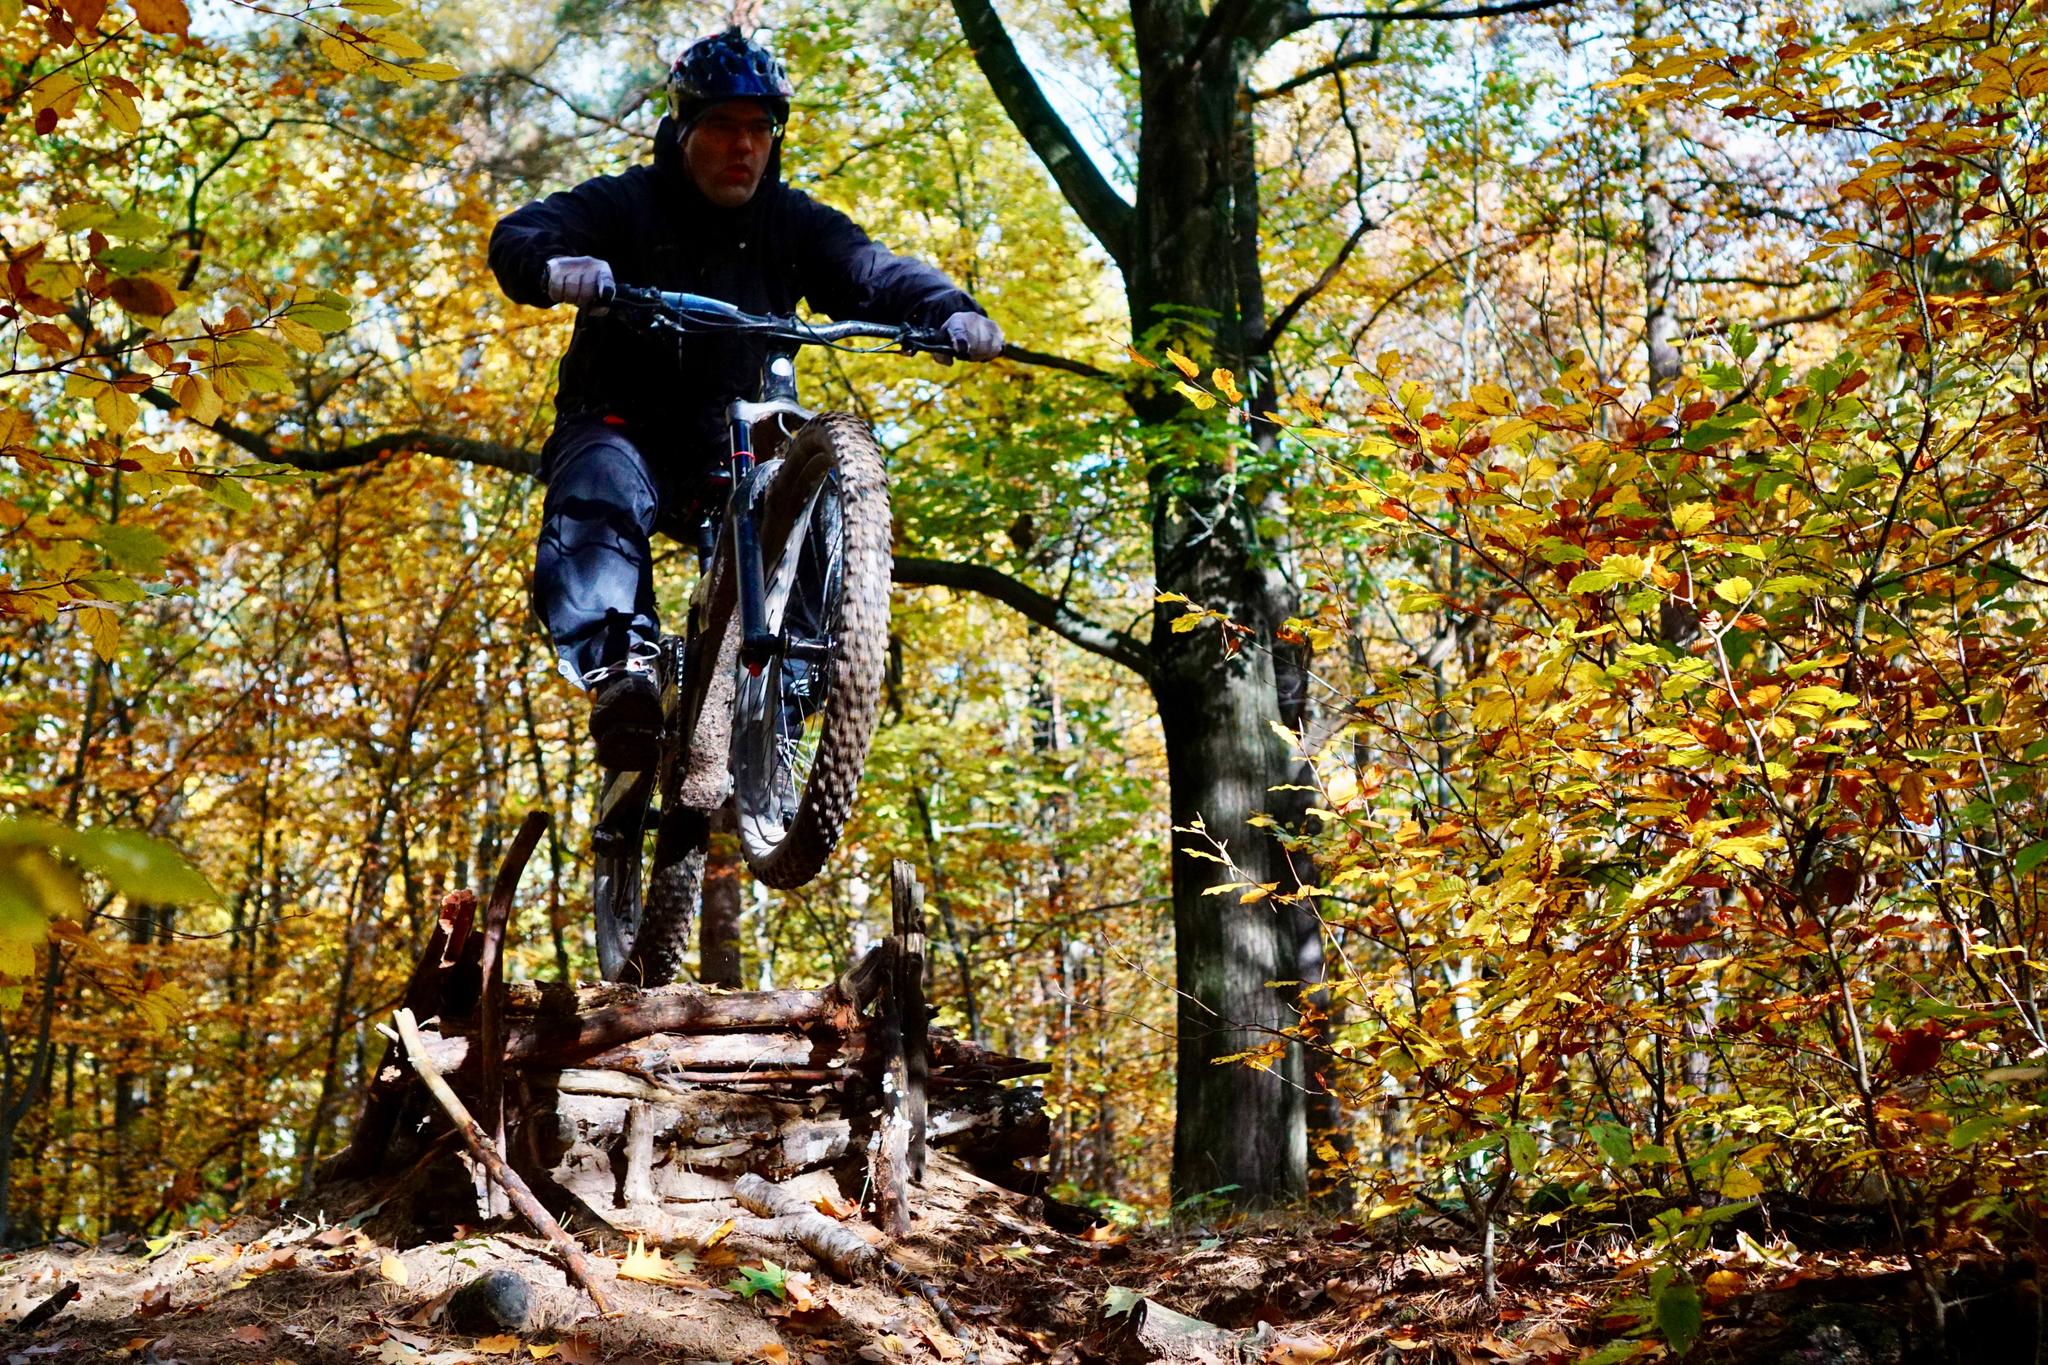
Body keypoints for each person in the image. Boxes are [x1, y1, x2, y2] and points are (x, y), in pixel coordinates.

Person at [489, 28, 1004, 770]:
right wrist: (556, 264)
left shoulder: (790, 223)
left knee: (799, 492)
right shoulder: (626, 203)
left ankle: (782, 702)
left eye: (760, 128)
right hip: (623, 425)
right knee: (599, 473)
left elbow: (872, 272)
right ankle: (623, 676)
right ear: (684, 130)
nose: (744, 146)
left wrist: (951, 311)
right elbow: (525, 231)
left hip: (727, 444)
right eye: (725, 126)